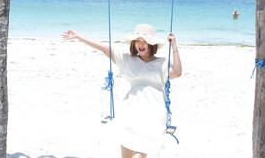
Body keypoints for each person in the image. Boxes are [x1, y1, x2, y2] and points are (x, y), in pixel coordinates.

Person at [62, 24, 182, 158]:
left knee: (148, 145)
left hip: (154, 108)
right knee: (127, 138)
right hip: (132, 106)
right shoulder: (127, 60)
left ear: (151, 44)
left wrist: (174, 47)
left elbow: (177, 73)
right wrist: (79, 37)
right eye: (137, 41)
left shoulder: (162, 62)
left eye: (144, 41)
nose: (140, 45)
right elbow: (104, 48)